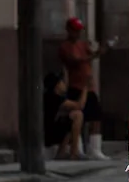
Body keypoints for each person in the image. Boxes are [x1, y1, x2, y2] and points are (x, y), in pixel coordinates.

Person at [58, 17, 107, 160]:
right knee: (78, 116)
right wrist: (90, 57)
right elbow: (73, 60)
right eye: (75, 31)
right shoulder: (65, 47)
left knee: (96, 116)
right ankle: (77, 148)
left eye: (79, 31)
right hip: (75, 86)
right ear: (69, 30)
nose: (77, 34)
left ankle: (95, 149)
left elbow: (90, 54)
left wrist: (98, 51)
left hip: (88, 87)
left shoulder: (82, 44)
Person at [43, 72, 86, 160]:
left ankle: (61, 152)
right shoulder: (54, 97)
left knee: (70, 120)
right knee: (78, 115)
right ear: (57, 85)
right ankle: (74, 152)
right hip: (49, 135)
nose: (64, 84)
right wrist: (85, 88)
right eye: (62, 82)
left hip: (49, 133)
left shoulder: (50, 96)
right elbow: (80, 106)